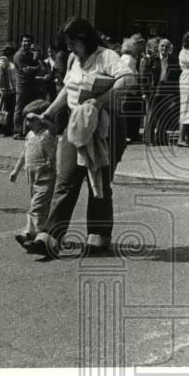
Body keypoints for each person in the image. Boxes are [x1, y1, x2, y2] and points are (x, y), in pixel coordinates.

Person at [23, 17, 135, 258]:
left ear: (85, 39)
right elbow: (67, 89)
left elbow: (127, 79)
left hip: (106, 123)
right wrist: (48, 113)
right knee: (66, 180)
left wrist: (100, 100)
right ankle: (50, 236)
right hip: (77, 123)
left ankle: (99, 235)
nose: (70, 48)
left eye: (73, 42)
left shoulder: (106, 56)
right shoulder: (75, 59)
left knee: (100, 181)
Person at [11, 98, 58, 246]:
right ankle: (36, 232)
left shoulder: (48, 134)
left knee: (37, 205)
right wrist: (16, 170)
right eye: (26, 120)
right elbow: (24, 153)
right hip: (31, 173)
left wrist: (42, 117)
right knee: (36, 205)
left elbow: (54, 129)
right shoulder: (30, 135)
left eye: (31, 120)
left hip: (45, 173)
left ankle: (34, 233)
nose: (28, 124)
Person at [145, 38, 178, 146]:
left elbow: (175, 76)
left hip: (166, 88)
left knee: (164, 114)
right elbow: (145, 76)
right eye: (162, 46)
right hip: (153, 88)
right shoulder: (152, 59)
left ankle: (161, 138)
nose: (164, 48)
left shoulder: (172, 59)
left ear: (170, 48)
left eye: (166, 46)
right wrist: (144, 92)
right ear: (159, 47)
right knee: (151, 114)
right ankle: (149, 139)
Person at [12, 35, 44, 139]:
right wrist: (36, 68)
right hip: (22, 85)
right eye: (24, 41)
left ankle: (29, 130)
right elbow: (26, 70)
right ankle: (17, 132)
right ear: (21, 42)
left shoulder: (31, 54)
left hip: (32, 84)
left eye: (28, 41)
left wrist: (37, 58)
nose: (26, 43)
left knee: (32, 107)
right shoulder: (18, 55)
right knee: (20, 108)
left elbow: (38, 67)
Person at [119, 34, 148, 143]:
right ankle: (129, 134)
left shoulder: (130, 58)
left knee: (133, 113)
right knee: (130, 113)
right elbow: (126, 75)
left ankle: (133, 134)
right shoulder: (129, 59)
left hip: (132, 90)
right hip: (130, 90)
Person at [0, 44, 16, 136]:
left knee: (8, 110)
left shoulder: (7, 61)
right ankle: (0, 130)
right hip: (3, 90)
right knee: (3, 110)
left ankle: (7, 129)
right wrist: (3, 89)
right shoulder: (1, 63)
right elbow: (0, 77)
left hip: (10, 89)